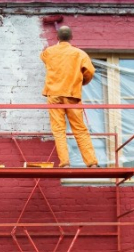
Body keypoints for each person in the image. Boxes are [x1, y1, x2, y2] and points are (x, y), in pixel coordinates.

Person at [40, 25, 99, 168]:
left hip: (54, 94)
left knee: (59, 129)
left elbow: (44, 58)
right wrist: (81, 82)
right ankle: (91, 162)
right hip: (72, 94)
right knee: (79, 129)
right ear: (71, 37)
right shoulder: (80, 54)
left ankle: (65, 162)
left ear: (57, 37)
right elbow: (90, 71)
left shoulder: (49, 52)